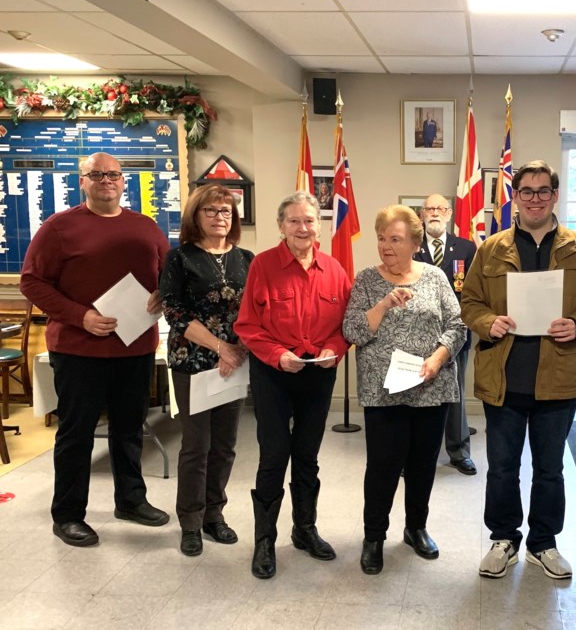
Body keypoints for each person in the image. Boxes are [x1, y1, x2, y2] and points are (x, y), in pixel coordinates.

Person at [461, 160, 576, 580]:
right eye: (526, 191)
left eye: (543, 191)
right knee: (503, 466)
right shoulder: (491, 248)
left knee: (550, 468)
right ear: (516, 197)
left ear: (555, 196)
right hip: (504, 377)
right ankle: (504, 538)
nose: (535, 198)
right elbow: (469, 300)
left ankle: (543, 543)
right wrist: (487, 321)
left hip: (558, 378)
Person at [20, 151, 170, 547]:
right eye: (97, 174)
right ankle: (68, 514)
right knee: (77, 433)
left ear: (124, 182)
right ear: (82, 181)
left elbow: (168, 276)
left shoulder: (146, 227)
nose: (107, 181)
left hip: (135, 346)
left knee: (129, 429)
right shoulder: (59, 228)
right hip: (79, 349)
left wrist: (163, 295)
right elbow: (32, 283)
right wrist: (79, 316)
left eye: (114, 175)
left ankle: (131, 501)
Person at [234, 191, 351, 579]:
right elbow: (247, 325)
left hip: (318, 375)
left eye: (310, 221)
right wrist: (276, 354)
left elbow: (344, 327)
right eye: (294, 221)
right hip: (274, 375)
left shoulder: (334, 269)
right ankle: (264, 540)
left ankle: (305, 530)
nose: (303, 228)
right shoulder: (263, 266)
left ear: (320, 225)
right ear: (281, 226)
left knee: (307, 455)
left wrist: (335, 348)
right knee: (273, 456)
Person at [343, 205, 466, 574]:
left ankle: (416, 528)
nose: (386, 246)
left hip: (431, 386)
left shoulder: (435, 277)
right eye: (382, 238)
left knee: (423, 465)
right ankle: (374, 537)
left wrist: (439, 358)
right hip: (384, 392)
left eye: (395, 239)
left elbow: (457, 325)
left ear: (414, 243)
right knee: (382, 467)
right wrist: (383, 303)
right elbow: (353, 331)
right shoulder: (366, 280)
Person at [159, 184, 254, 557]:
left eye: (227, 212)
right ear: (195, 216)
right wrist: (220, 348)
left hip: (235, 363)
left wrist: (238, 351)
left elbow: (256, 310)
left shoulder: (247, 257)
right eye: (212, 211)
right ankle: (191, 522)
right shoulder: (179, 258)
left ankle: (215, 514)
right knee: (196, 445)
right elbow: (175, 312)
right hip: (193, 364)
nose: (220, 217)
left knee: (226, 446)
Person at [413, 194, 477, 475]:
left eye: (440, 208)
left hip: (455, 336)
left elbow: (473, 291)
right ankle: (414, 453)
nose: (435, 213)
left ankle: (459, 452)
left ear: (449, 213)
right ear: (422, 214)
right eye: (429, 209)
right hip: (417, 336)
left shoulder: (465, 248)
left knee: (456, 395)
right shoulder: (412, 247)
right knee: (415, 394)